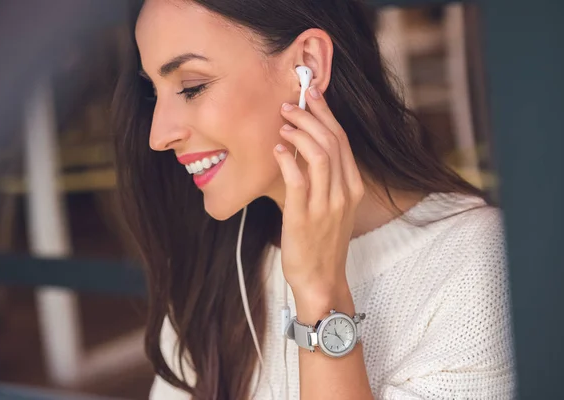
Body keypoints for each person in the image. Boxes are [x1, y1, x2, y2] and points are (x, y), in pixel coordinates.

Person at [112, 0, 516, 398]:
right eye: (154, 92)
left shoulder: (477, 265)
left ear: (308, 65)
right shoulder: (214, 260)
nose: (158, 135)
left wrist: (321, 297)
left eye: (192, 86)